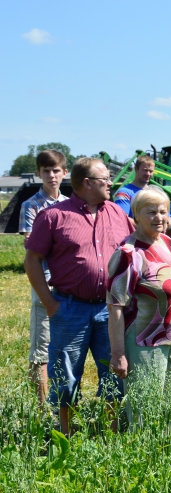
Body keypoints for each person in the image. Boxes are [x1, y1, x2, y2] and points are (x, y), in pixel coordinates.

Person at [24, 157, 133, 435]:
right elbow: (32, 259)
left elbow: (135, 250)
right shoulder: (54, 216)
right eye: (105, 179)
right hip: (69, 309)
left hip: (110, 309)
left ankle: (111, 430)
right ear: (87, 183)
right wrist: (50, 303)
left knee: (113, 370)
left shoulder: (117, 214)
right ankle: (65, 432)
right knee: (65, 373)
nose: (111, 183)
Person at [107, 188, 171, 424]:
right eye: (151, 212)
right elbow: (115, 307)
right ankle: (143, 455)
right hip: (145, 342)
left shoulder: (166, 242)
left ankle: (170, 454)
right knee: (145, 411)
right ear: (136, 215)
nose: (159, 217)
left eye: (163, 211)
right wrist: (119, 354)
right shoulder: (128, 253)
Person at [18, 149, 68, 406]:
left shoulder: (71, 204)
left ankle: (65, 400)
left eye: (56, 170)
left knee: (66, 347)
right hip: (45, 281)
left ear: (64, 173)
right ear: (38, 173)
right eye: (46, 171)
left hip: (69, 283)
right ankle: (41, 407)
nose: (51, 175)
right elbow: (32, 246)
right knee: (42, 348)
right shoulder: (31, 206)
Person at [114, 154, 154, 219]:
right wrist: (147, 226)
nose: (148, 174)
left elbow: (167, 218)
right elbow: (123, 219)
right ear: (136, 169)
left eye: (151, 171)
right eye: (145, 170)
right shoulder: (124, 192)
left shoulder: (155, 193)